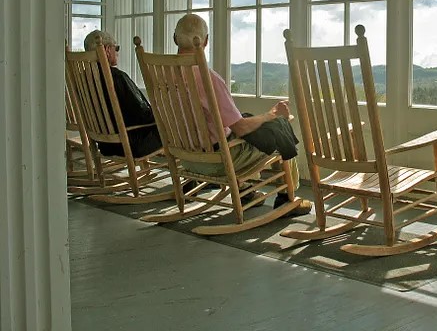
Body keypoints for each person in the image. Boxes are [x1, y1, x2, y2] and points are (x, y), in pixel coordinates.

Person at [173, 14, 312, 215]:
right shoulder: (207, 78)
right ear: (205, 41)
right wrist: (271, 115)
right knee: (280, 128)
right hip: (218, 160)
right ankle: (287, 199)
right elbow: (240, 127)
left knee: (247, 119)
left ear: (175, 39)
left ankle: (246, 191)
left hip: (185, 158)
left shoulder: (160, 75)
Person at [83, 30, 162, 158]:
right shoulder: (117, 77)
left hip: (104, 145)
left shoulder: (83, 79)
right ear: (107, 50)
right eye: (116, 48)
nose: (118, 53)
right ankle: (188, 171)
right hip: (131, 145)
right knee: (175, 128)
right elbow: (143, 114)